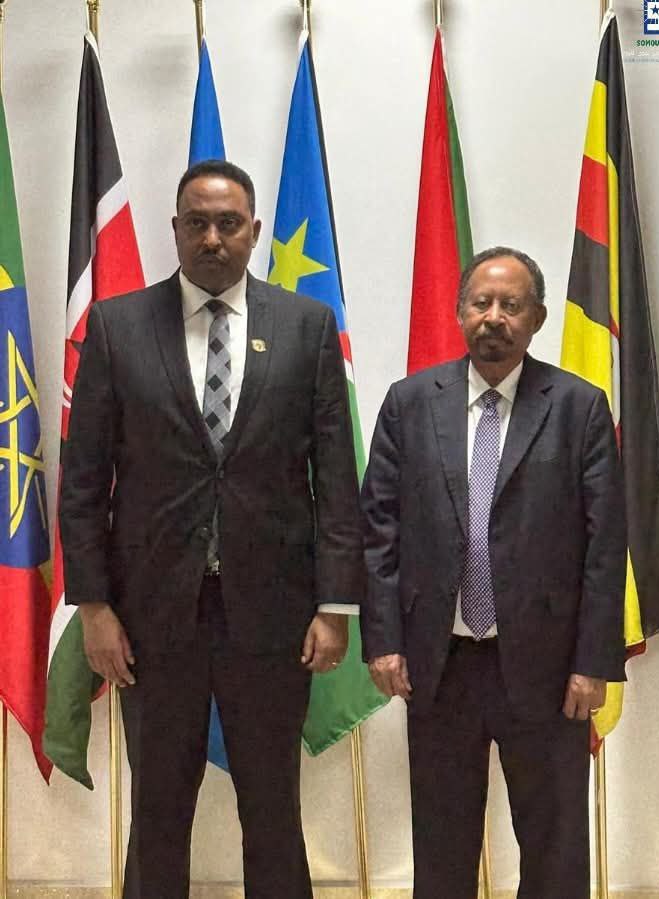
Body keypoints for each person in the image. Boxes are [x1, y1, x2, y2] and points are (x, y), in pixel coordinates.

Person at [59, 160, 363, 899]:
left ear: (254, 231)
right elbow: (83, 481)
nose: (212, 238)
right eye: (196, 223)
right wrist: (94, 607)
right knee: (159, 811)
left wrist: (334, 605)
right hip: (150, 618)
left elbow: (334, 478)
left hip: (276, 616)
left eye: (228, 224)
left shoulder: (307, 326)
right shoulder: (117, 326)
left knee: (273, 809)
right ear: (175, 230)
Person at [360, 247, 626, 899]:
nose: (494, 317)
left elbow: (604, 546)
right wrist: (384, 639)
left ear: (536, 318)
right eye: (481, 302)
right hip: (439, 662)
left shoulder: (578, 407)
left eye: (511, 304)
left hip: (547, 667)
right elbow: (378, 530)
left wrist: (592, 661)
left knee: (554, 846)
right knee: (441, 845)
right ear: (459, 312)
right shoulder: (409, 403)